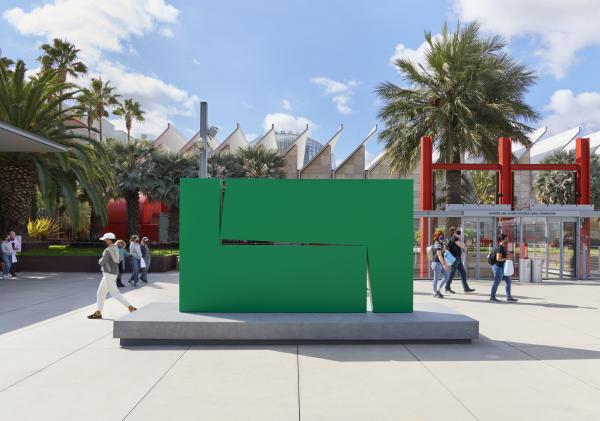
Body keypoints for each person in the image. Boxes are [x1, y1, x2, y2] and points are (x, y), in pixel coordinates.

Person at [87, 233, 137, 319]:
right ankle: (98, 312)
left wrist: (99, 260)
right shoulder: (115, 248)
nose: (104, 241)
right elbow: (119, 259)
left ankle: (131, 307)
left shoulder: (108, 250)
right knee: (100, 293)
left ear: (109, 240)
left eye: (105, 239)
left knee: (115, 293)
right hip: (112, 273)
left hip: (108, 274)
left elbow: (102, 262)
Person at [445, 226, 475, 294]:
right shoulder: (454, 238)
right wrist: (465, 244)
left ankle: (466, 288)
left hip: (458, 259)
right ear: (454, 231)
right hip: (455, 259)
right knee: (452, 274)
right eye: (458, 230)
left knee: (463, 273)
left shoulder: (453, 238)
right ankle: (447, 287)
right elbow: (462, 246)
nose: (459, 231)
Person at [490, 233, 518, 303]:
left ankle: (509, 297)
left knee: (508, 282)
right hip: (497, 267)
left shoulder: (502, 247)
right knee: (496, 282)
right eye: (506, 239)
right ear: (501, 240)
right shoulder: (499, 247)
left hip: (503, 267)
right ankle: (492, 297)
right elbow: (498, 259)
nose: (507, 240)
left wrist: (508, 256)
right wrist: (507, 258)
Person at [431, 229, 450, 298]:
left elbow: (443, 254)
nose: (442, 237)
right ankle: (434, 292)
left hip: (440, 263)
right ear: (437, 237)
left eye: (443, 236)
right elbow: (439, 255)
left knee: (447, 276)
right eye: (441, 236)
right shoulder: (437, 244)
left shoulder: (441, 244)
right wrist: (444, 264)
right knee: (436, 278)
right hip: (436, 263)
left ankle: (438, 290)